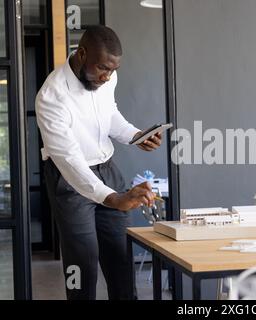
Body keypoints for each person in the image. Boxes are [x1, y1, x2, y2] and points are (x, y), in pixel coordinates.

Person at [35, 25, 161, 300]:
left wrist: (135, 135)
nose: (107, 77)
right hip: (69, 180)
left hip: (107, 170)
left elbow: (109, 114)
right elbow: (69, 161)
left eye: (112, 70)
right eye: (103, 68)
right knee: (82, 261)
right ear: (82, 54)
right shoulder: (52, 96)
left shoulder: (106, 77)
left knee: (120, 257)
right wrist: (113, 198)